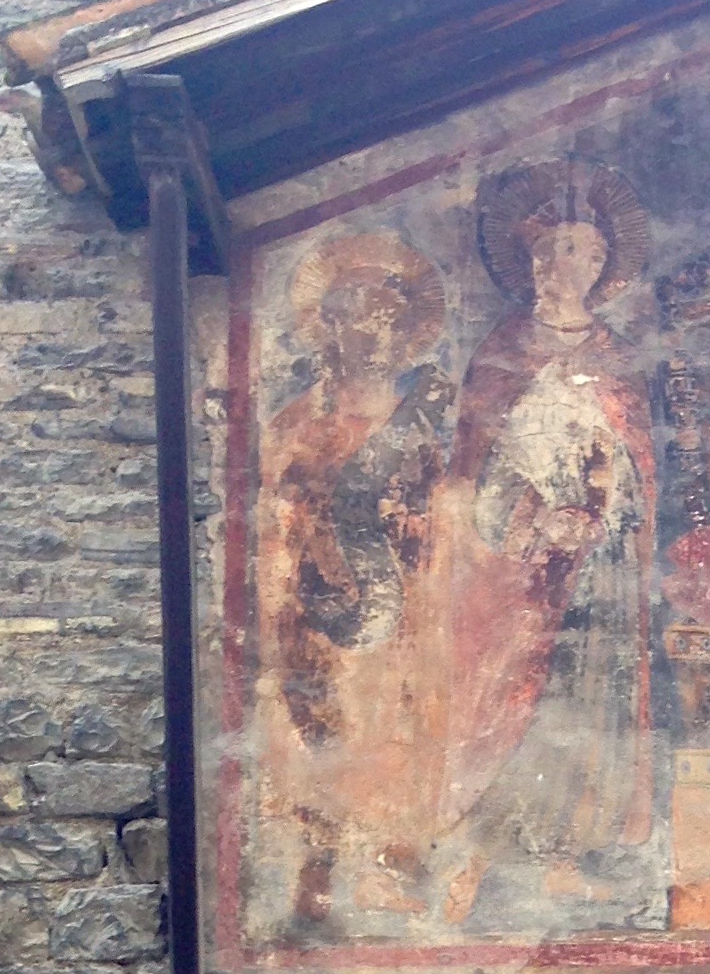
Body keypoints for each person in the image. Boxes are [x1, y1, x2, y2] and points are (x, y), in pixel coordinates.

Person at [435, 157, 656, 921]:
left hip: (600, 559)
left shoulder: (615, 355)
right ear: (532, 259)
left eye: (589, 252)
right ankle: (477, 853)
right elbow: (475, 462)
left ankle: (563, 854)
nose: (574, 265)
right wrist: (533, 513)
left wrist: (604, 500)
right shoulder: (504, 350)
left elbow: (635, 455)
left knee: (589, 698)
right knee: (512, 695)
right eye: (560, 249)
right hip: (521, 564)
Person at [257, 231, 449, 926]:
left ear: (406, 332)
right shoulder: (297, 422)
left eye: (385, 318)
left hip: (406, 614)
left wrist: (415, 520)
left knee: (399, 730)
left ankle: (390, 863)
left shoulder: (423, 422)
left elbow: (443, 513)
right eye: (355, 317)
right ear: (328, 328)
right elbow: (276, 520)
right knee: (325, 734)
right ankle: (319, 867)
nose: (371, 333)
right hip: (316, 614)